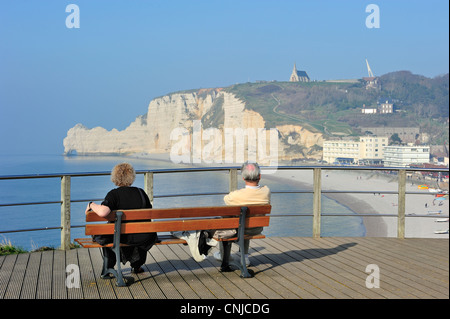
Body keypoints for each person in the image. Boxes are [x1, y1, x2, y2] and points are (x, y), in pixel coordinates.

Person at [85, 163, 157, 274]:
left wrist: (91, 205)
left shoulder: (114, 195)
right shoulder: (141, 192)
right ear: (131, 177)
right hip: (143, 236)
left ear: (115, 177)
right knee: (139, 230)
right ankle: (137, 266)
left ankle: (108, 268)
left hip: (122, 236)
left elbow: (104, 212)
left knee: (106, 234)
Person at [215, 162, 270, 266]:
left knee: (229, 222)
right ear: (260, 176)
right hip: (257, 229)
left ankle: (223, 255)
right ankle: (244, 257)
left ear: (243, 178)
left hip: (238, 229)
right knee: (246, 221)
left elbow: (226, 199)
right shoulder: (266, 191)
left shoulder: (236, 196)